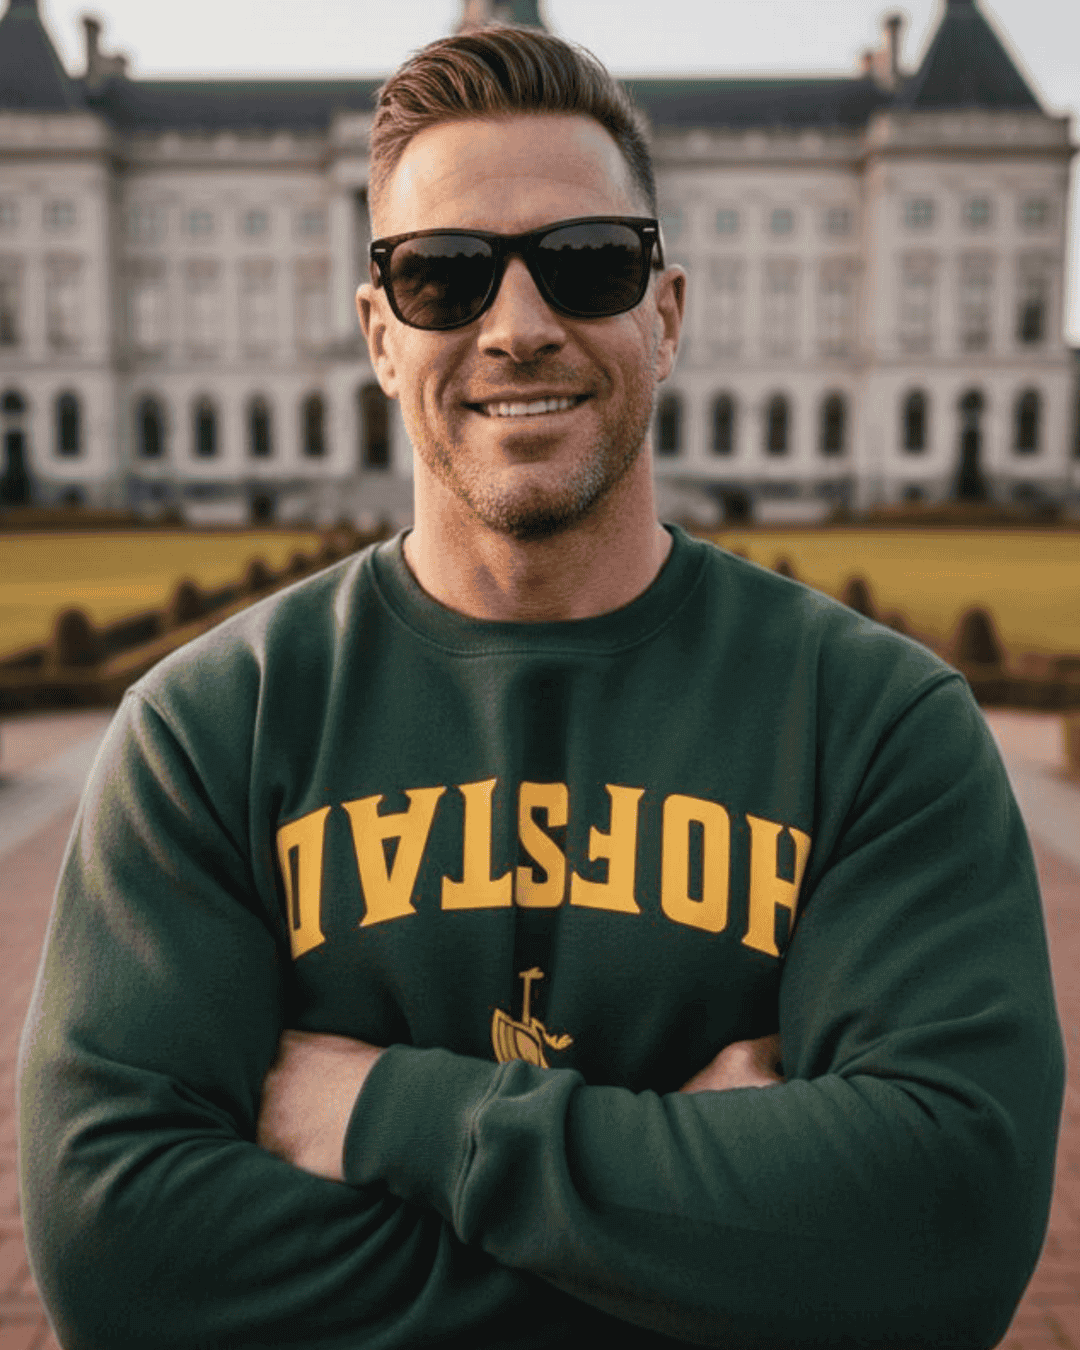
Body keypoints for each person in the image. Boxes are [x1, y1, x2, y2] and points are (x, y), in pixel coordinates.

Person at [17, 24, 1064, 1350]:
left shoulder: (878, 726)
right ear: (381, 332)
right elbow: (117, 1258)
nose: (518, 326)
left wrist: (386, 1114)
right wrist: (716, 1237)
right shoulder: (205, 732)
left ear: (665, 312)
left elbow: (945, 1233)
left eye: (585, 264)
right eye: (444, 276)